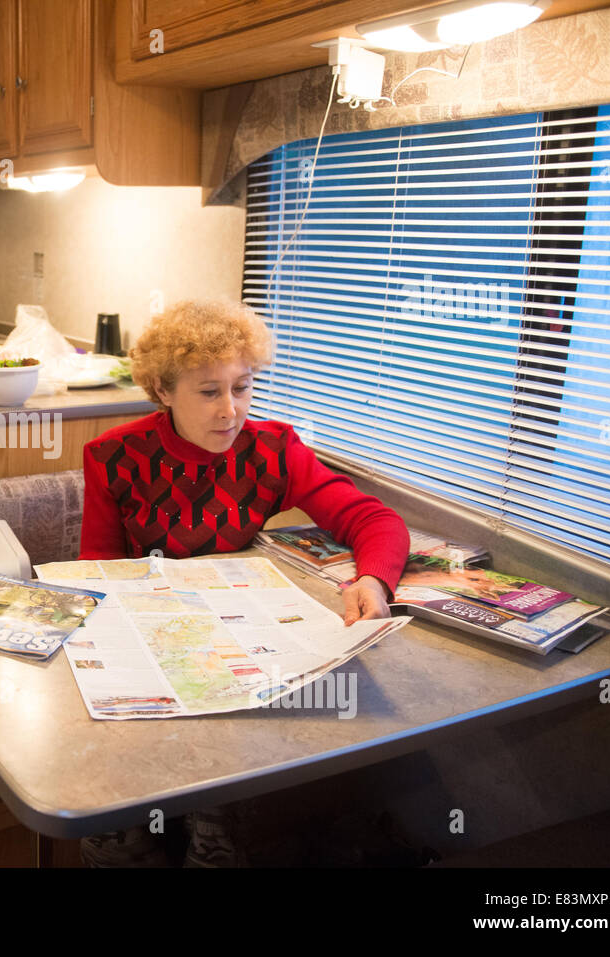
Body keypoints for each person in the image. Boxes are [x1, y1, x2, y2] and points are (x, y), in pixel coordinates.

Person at [77, 299, 409, 865]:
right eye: (208, 391)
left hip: (239, 635)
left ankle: (211, 813)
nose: (230, 410)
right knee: (119, 841)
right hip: (142, 625)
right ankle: (128, 818)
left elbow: (373, 520)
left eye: (242, 387)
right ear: (162, 389)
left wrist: (374, 581)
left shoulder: (274, 449)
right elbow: (97, 564)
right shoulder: (115, 455)